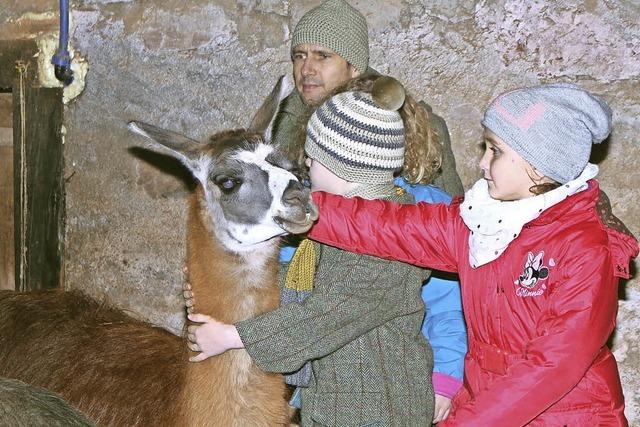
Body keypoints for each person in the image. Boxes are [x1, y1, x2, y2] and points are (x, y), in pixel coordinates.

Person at [304, 83, 639, 426]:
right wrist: (297, 209)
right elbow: (389, 227)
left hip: (568, 415)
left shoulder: (584, 248)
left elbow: (553, 365)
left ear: (538, 166)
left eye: (495, 150)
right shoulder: (480, 221)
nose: (481, 162)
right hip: (488, 403)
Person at [188, 75, 445, 425]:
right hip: (338, 396)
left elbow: (322, 316)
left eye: (314, 159)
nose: (305, 167)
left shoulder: (389, 247)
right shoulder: (347, 224)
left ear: (349, 174)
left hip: (376, 408)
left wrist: (233, 337)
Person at [274, 1, 467, 418]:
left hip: (385, 364)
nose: (307, 68)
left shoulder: (415, 143)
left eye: (323, 56)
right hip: (321, 353)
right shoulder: (292, 116)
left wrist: (446, 373)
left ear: (354, 65)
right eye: (299, 55)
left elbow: (446, 269)